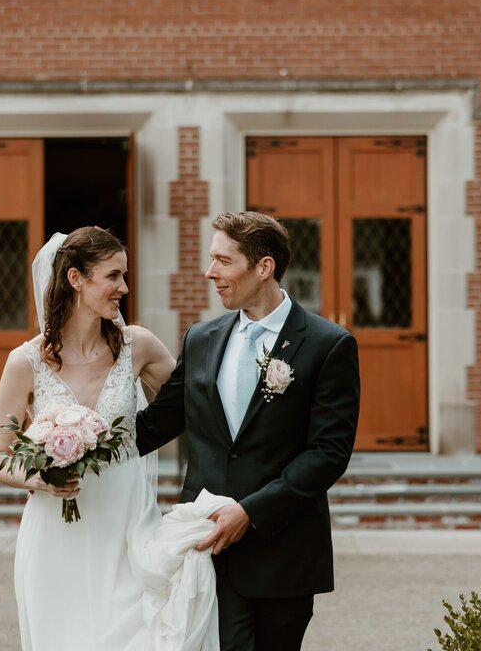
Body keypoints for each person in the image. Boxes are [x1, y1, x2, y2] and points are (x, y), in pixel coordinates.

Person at [137, 211, 362, 651]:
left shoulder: (328, 344)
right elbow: (157, 423)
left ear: (263, 267)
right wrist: (77, 454)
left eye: (223, 260)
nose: (210, 272)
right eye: (211, 259)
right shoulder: (201, 338)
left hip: (282, 553)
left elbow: (329, 452)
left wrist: (251, 512)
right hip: (204, 549)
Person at [0, 226, 187, 650]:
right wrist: (41, 478)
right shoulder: (24, 363)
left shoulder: (140, 346)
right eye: (113, 276)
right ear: (76, 278)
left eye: (125, 275)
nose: (124, 288)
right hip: (56, 538)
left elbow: (195, 405)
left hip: (128, 527)